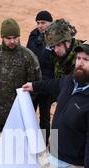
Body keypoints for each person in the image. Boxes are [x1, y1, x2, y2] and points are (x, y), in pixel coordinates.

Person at [0, 18, 41, 131]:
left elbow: (35, 87)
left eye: (15, 37)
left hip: (17, 117)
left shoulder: (28, 57)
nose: (12, 41)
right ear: (2, 37)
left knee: (15, 147)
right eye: (8, 38)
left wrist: (26, 112)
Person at [27, 10, 55, 143]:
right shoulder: (33, 36)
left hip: (47, 83)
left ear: (50, 23)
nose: (40, 25)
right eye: (38, 23)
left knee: (44, 117)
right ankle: (30, 142)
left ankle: (43, 143)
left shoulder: (56, 37)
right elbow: (27, 55)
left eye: (43, 23)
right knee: (29, 115)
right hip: (33, 82)